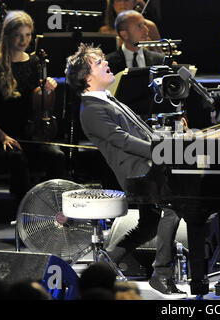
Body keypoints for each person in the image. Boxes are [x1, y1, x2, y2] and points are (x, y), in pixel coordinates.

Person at [65, 43, 184, 295]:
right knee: (173, 208)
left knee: (149, 225)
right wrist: (161, 151)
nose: (106, 63)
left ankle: (103, 264)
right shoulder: (91, 109)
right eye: (99, 63)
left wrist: (165, 140)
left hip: (147, 166)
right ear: (87, 78)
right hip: (138, 173)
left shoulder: (106, 99)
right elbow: (123, 141)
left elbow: (137, 130)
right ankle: (161, 273)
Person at [0, 11, 65, 202]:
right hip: (1, 136)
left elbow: (39, 101)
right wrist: (3, 136)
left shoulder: (34, 62)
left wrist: (48, 87)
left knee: (57, 155)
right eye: (19, 35)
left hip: (31, 133)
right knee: (17, 158)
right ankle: (25, 211)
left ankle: (55, 207)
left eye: (28, 35)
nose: (24, 40)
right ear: (8, 35)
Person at [105, 10, 165, 75]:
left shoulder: (160, 60)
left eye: (145, 24)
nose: (146, 30)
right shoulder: (108, 63)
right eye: (139, 26)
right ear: (124, 34)